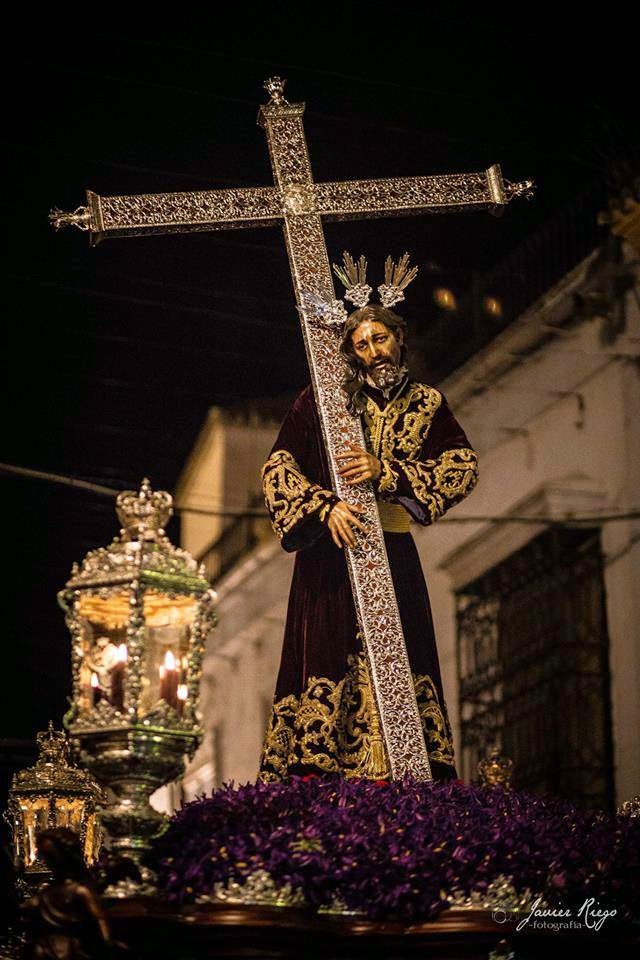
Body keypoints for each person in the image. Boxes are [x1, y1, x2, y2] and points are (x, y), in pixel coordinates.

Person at [257, 256, 479, 784]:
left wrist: (389, 473)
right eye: (360, 344)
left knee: (404, 656)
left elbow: (462, 465)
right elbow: (278, 468)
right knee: (326, 658)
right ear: (349, 352)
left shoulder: (426, 403)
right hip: (328, 558)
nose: (373, 351)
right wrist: (324, 506)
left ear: (399, 339)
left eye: (380, 339)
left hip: (394, 552)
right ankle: (317, 784)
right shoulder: (321, 402)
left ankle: (408, 776)